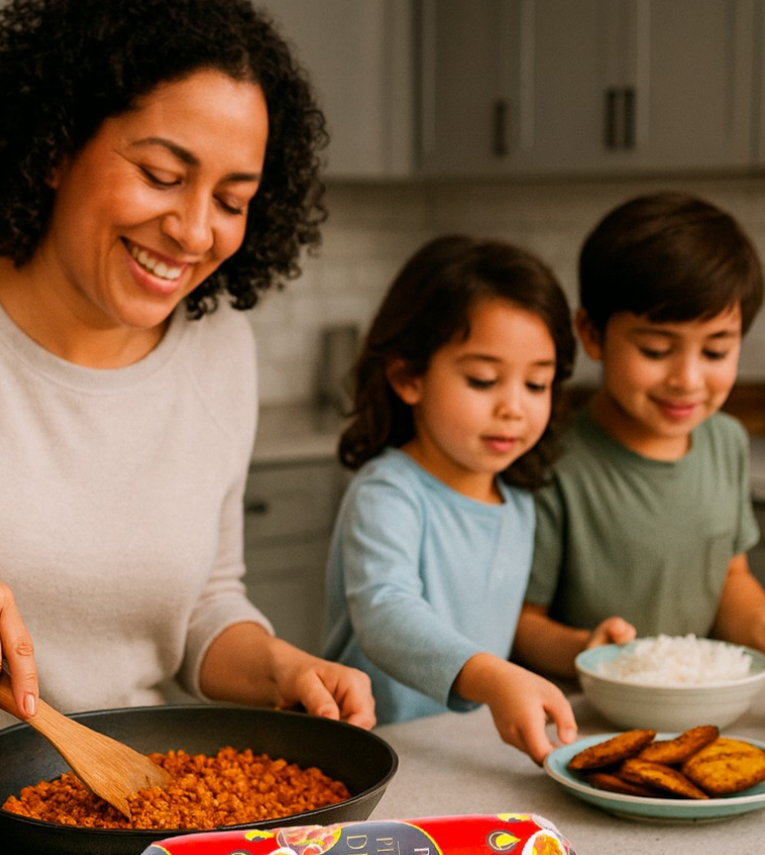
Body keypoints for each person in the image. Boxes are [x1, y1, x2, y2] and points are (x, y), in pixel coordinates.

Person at [0, 0, 375, 797]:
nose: (196, 232)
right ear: (55, 147)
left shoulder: (220, 344)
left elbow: (202, 604)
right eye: (162, 176)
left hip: (118, 810)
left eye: (232, 201)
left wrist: (277, 667)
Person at [322, 234, 599, 766]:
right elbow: (386, 613)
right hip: (373, 755)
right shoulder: (388, 491)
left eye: (536, 384)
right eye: (483, 380)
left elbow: (506, 627)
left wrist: (583, 650)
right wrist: (491, 678)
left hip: (458, 751)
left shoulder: (517, 502)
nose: (513, 407)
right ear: (408, 376)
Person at [514, 192, 765, 677]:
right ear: (592, 334)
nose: (687, 379)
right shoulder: (550, 459)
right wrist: (586, 649)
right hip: (579, 706)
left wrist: (758, 625)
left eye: (715, 352)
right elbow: (522, 622)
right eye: (655, 350)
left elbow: (730, 580)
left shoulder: (726, 443)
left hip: (698, 708)